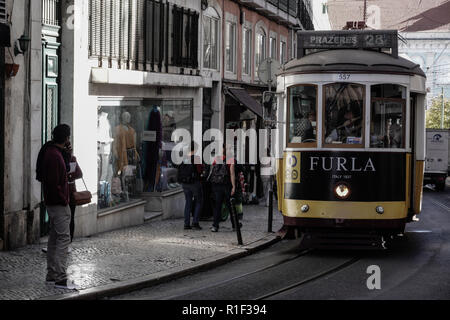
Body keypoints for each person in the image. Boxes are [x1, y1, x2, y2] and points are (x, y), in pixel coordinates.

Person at [36, 124, 78, 290]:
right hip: (58, 203)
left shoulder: (54, 152)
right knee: (62, 240)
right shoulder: (53, 155)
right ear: (66, 137)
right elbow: (54, 183)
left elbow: (67, 169)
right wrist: (63, 199)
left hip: (55, 202)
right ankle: (60, 278)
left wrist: (68, 153)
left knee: (54, 239)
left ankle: (52, 276)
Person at [209, 144, 241, 232]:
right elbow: (232, 174)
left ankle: (215, 226)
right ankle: (234, 225)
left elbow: (212, 171)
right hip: (227, 186)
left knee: (217, 206)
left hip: (216, 185)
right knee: (230, 206)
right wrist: (234, 186)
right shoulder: (231, 160)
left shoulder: (217, 159)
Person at [178, 141, 203, 230]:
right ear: (195, 149)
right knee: (199, 201)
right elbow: (200, 170)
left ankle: (186, 224)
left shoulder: (184, 158)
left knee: (188, 203)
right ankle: (195, 222)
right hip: (194, 183)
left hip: (185, 183)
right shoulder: (196, 158)